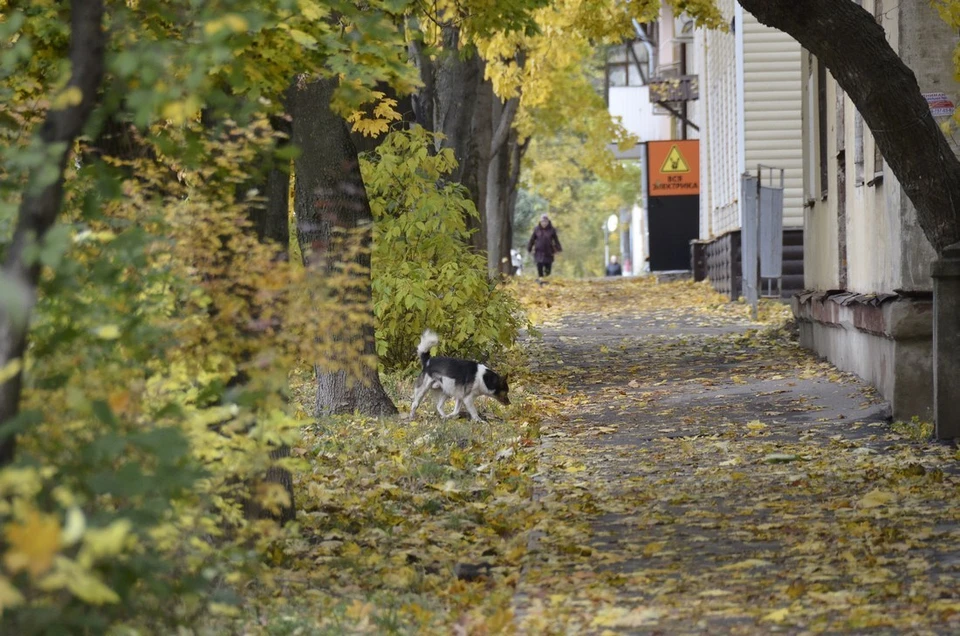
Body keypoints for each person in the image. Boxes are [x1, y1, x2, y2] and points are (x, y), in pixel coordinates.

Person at [527, 214, 562, 278]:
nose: (544, 223)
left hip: (548, 252)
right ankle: (541, 280)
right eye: (543, 221)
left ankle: (546, 280)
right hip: (539, 252)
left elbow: (556, 240)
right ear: (540, 222)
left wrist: (558, 248)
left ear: (548, 222)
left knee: (548, 270)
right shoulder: (536, 229)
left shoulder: (552, 230)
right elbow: (532, 239)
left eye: (545, 221)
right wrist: (529, 248)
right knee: (539, 265)